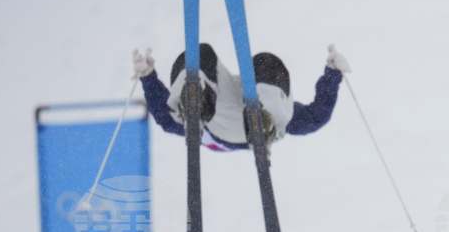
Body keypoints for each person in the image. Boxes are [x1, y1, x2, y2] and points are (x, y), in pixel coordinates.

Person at [130, 43, 351, 151]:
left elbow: (168, 120)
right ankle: (263, 116)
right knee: (266, 62)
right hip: (253, 126)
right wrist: (333, 75)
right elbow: (315, 117)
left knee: (199, 54)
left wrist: (149, 79)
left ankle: (198, 92)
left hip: (216, 123)